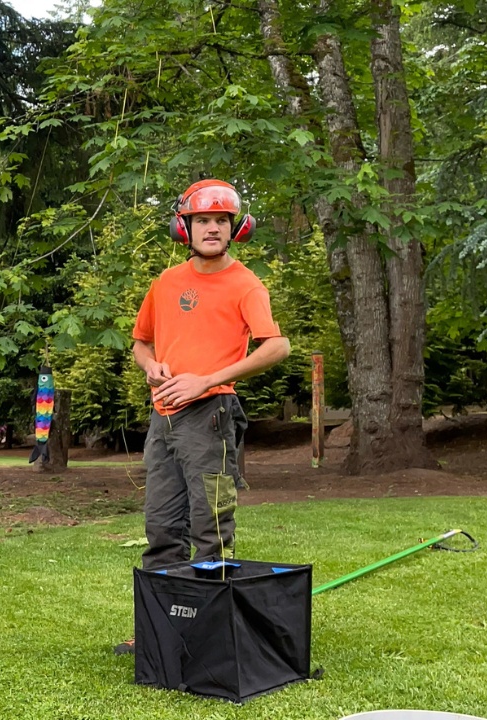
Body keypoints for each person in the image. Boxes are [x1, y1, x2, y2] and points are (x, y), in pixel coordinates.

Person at [115, 179, 290, 655]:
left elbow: (277, 346)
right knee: (161, 530)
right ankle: (158, 632)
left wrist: (207, 380)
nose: (212, 228)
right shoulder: (165, 283)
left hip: (210, 416)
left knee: (210, 529)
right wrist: (151, 367)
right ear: (183, 227)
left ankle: (211, 636)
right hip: (162, 419)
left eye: (221, 221)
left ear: (237, 228)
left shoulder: (245, 284)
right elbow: (140, 343)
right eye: (202, 220)